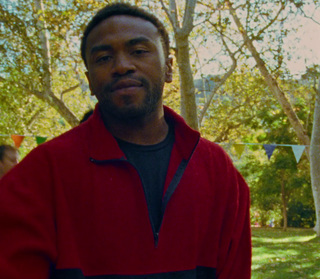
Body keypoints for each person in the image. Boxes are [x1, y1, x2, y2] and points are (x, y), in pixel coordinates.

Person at [0, 3, 251, 279]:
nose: (122, 66)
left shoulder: (218, 171)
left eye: (139, 51)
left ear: (168, 67)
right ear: (90, 82)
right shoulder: (40, 175)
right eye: (103, 58)